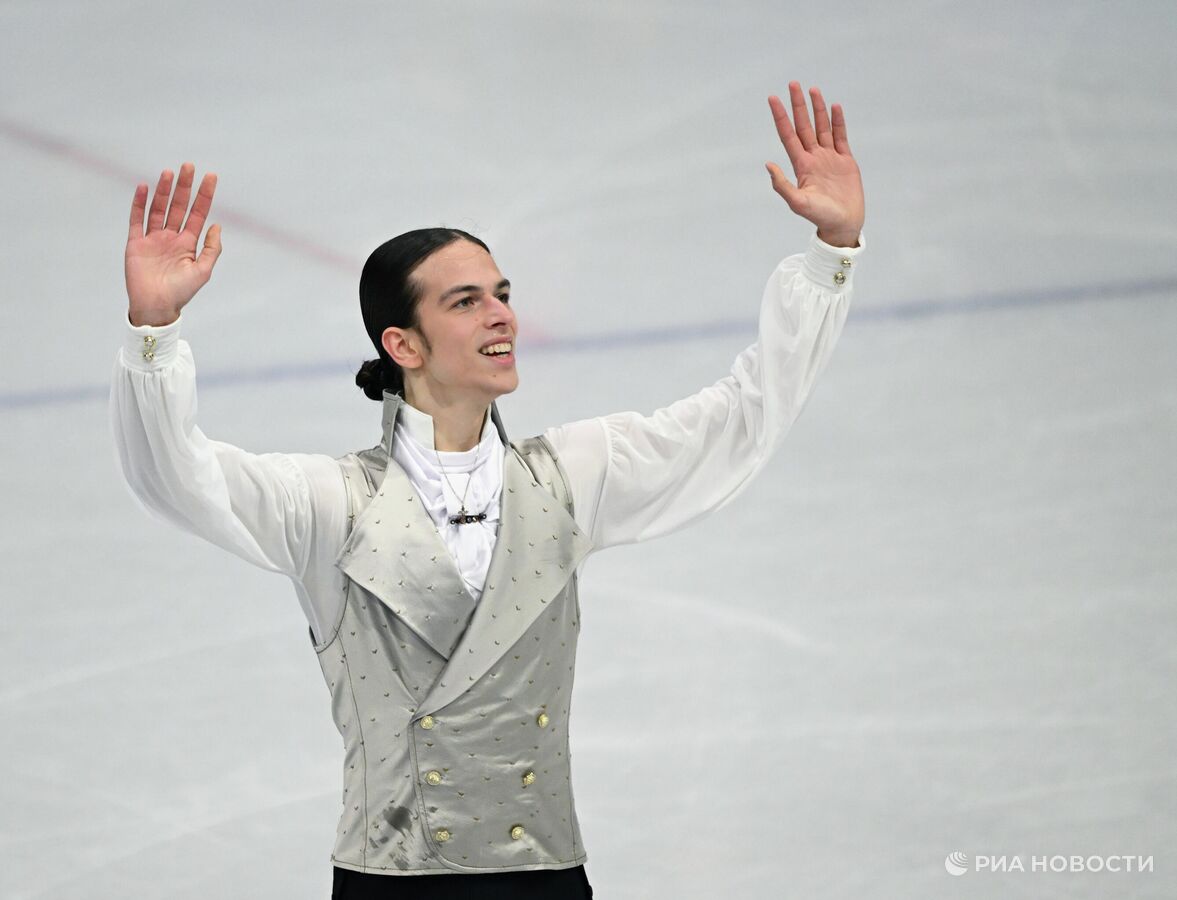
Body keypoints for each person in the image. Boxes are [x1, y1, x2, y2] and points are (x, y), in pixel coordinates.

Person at [111, 82, 865, 899]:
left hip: (545, 875)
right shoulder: (330, 504)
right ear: (403, 344)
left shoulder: (570, 475)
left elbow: (743, 418)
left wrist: (832, 253)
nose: (501, 316)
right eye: (465, 302)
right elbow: (174, 476)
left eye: (501, 295)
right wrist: (153, 335)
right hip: (392, 880)